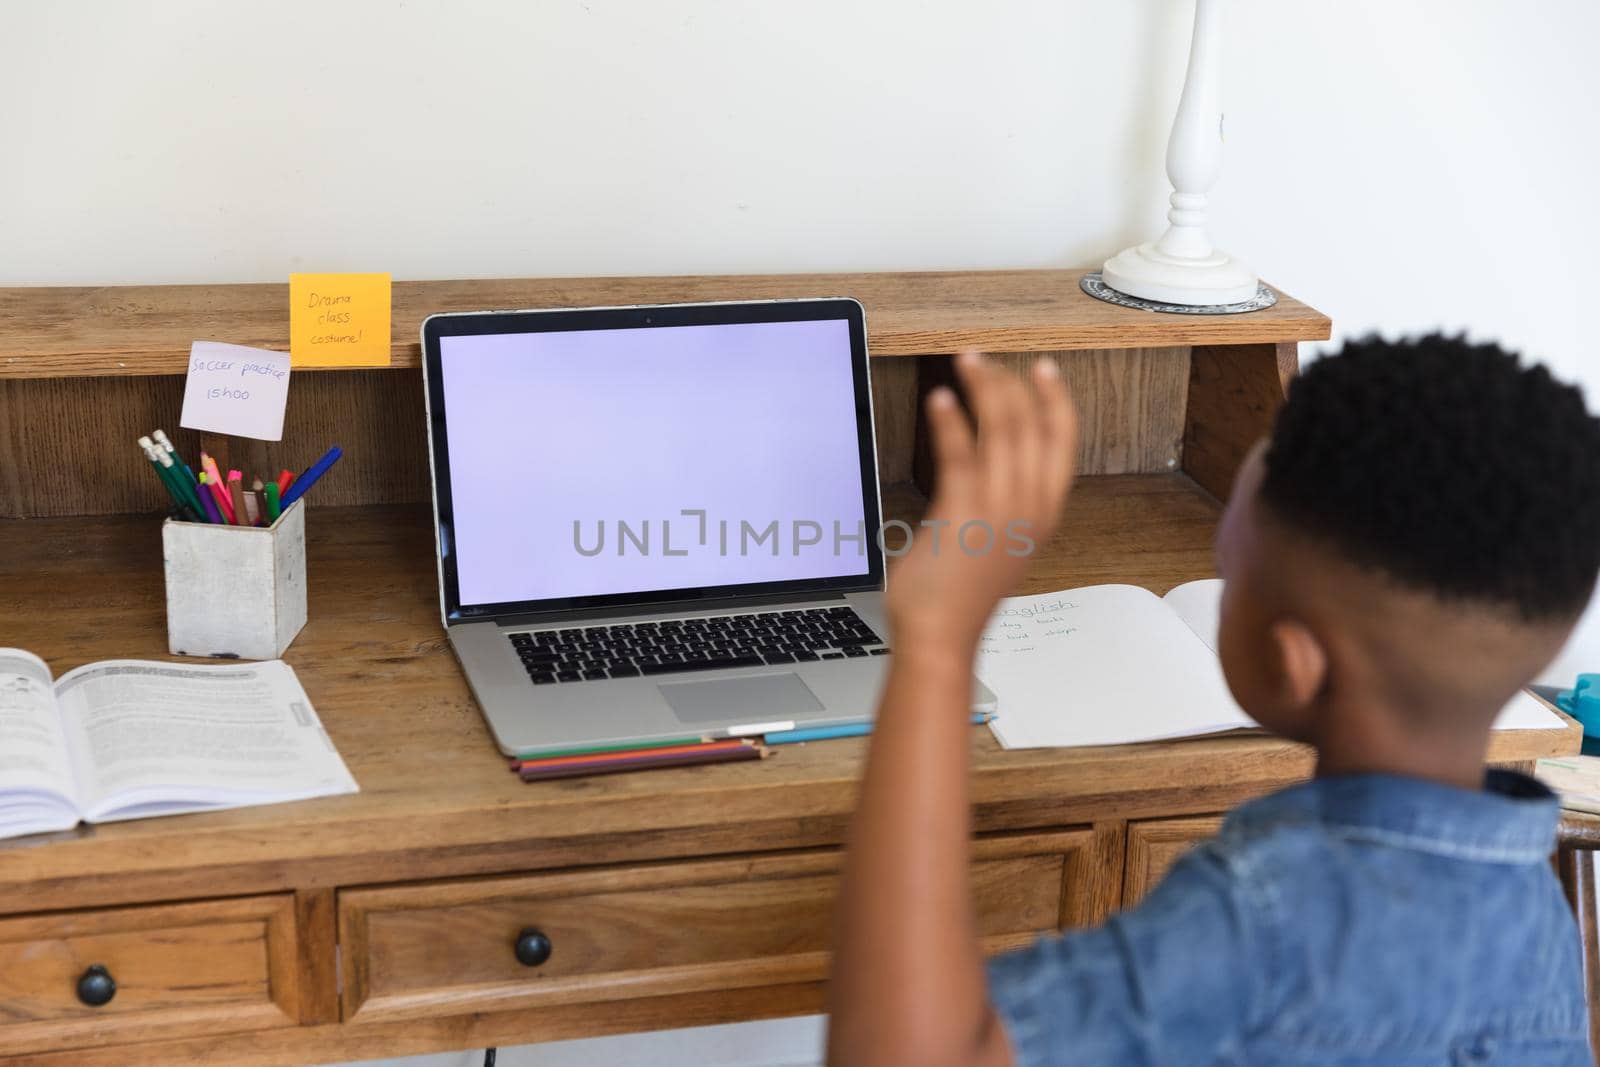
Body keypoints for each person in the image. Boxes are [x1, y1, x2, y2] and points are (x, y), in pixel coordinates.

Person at [828, 336, 1600, 1066]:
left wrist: (934, 642)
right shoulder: (1537, 914)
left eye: (1230, 568)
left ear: (1293, 661)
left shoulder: (1262, 915)